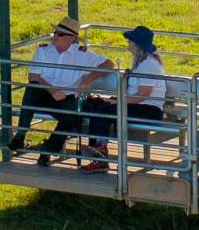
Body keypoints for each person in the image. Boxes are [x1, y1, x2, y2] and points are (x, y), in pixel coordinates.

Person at [16, 18, 112, 164]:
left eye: (60, 34)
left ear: (72, 38)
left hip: (66, 99)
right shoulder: (43, 50)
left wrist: (89, 78)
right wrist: (51, 89)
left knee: (71, 117)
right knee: (33, 86)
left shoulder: (82, 54)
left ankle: (47, 149)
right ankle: (20, 134)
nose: (55, 36)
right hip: (45, 95)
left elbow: (109, 64)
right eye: (55, 32)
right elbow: (33, 76)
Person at [118, 24, 175, 156]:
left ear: (136, 45)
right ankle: (99, 148)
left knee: (105, 110)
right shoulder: (141, 63)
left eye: (130, 40)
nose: (128, 42)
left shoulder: (148, 64)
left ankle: (99, 150)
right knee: (102, 108)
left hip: (149, 110)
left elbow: (142, 95)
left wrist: (119, 101)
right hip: (140, 107)